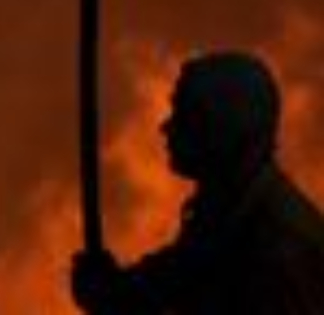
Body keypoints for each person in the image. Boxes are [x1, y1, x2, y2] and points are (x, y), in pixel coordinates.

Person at [71, 50, 324, 314]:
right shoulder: (227, 213)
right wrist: (118, 292)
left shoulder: (278, 253)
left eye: (184, 114)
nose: (166, 127)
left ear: (222, 127)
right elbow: (182, 273)